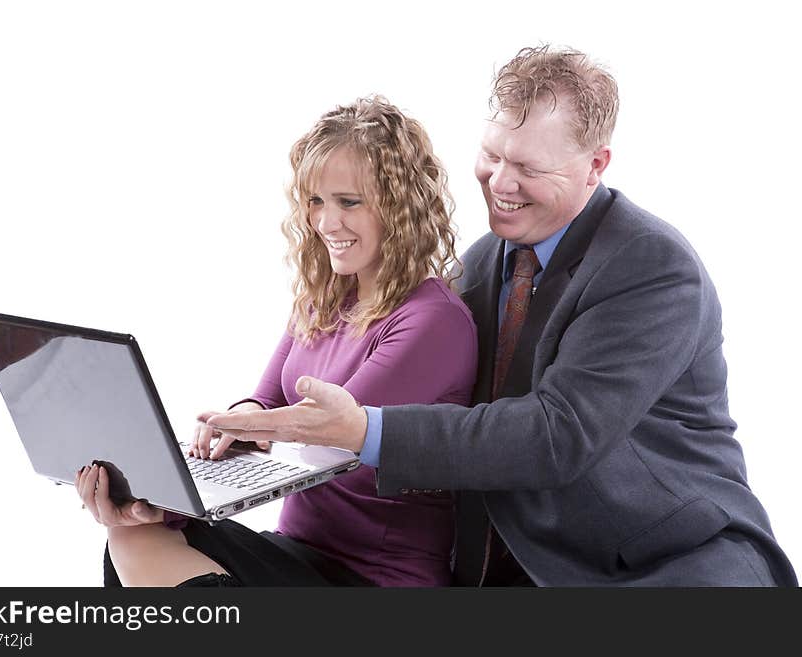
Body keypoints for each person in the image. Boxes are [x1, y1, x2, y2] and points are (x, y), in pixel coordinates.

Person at [204, 45, 799, 586]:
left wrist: (365, 429)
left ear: (597, 164)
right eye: (491, 155)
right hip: (520, 568)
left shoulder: (651, 267)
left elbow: (556, 434)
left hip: (665, 565)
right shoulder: (483, 263)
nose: (501, 183)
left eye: (530, 169)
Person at [75, 96, 478, 587]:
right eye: (315, 201)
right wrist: (241, 419)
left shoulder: (433, 320)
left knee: (148, 536)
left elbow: (329, 434)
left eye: (348, 202)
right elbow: (268, 402)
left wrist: (174, 503)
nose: (327, 223)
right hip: (301, 553)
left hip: (374, 579)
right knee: (131, 534)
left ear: (400, 205)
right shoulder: (322, 300)